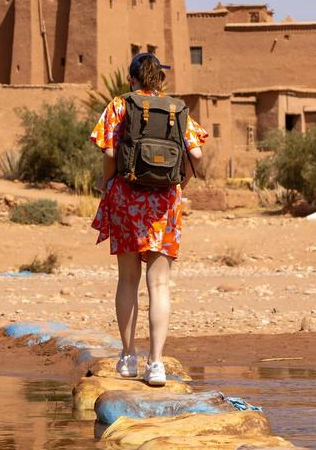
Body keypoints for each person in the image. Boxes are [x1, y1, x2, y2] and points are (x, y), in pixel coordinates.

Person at [90, 53, 206, 386]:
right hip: (165, 205)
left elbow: (110, 151)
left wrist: (105, 183)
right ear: (160, 80)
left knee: (128, 280)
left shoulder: (119, 105)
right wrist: (184, 181)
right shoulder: (177, 109)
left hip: (127, 199)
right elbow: (196, 153)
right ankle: (155, 364)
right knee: (159, 284)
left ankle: (128, 358)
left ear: (132, 79)